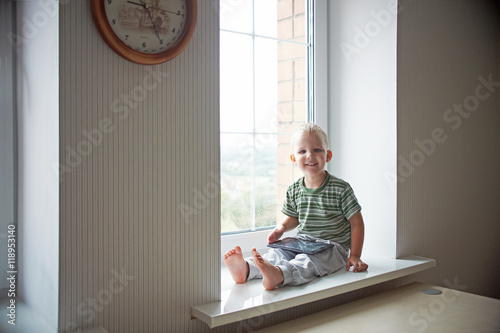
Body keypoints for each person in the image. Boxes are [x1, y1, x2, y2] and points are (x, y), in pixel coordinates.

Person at [224, 123, 368, 290]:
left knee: (308, 262)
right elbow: (294, 217)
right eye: (302, 151)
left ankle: (279, 275)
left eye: (317, 150)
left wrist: (355, 255)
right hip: (303, 242)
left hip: (332, 247)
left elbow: (357, 222)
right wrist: (282, 228)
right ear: (293, 159)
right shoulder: (294, 189)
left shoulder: (341, 188)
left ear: (328, 155)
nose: (310, 156)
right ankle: (246, 269)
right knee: (278, 253)